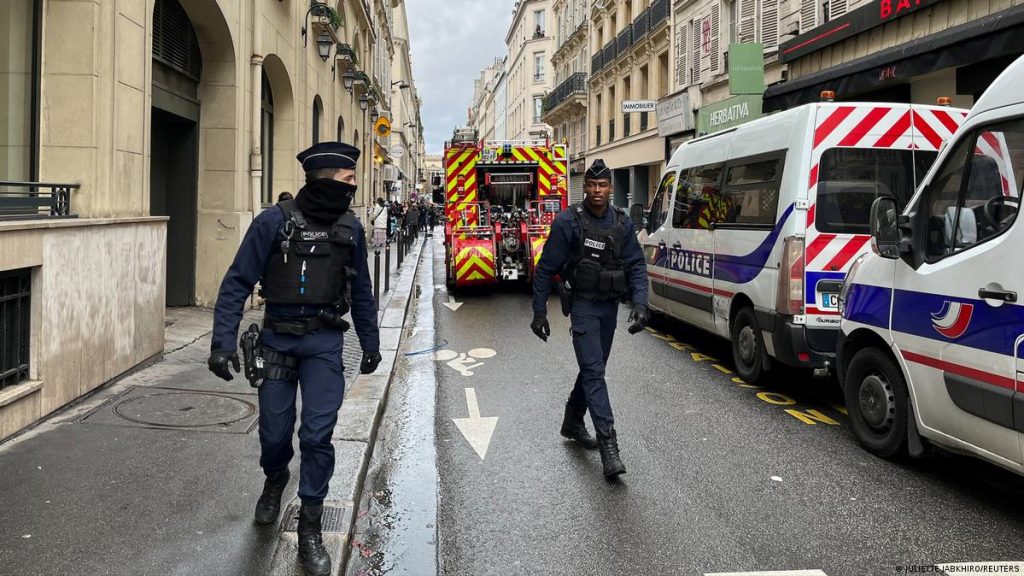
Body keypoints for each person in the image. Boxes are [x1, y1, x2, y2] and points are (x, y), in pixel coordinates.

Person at [207, 141, 382, 576]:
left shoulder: (350, 229)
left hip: (324, 342)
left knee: (318, 435)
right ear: (324, 179)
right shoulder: (273, 222)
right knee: (274, 433)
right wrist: (221, 341)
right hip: (277, 341)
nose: (354, 185)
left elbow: (361, 292)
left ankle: (310, 526)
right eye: (347, 180)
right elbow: (237, 281)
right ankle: (275, 477)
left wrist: (371, 341)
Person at [530, 159, 649, 480]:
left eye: (603, 186)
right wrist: (539, 311)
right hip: (582, 305)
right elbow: (545, 269)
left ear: (610, 188)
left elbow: (637, 265)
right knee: (595, 372)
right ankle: (609, 446)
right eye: (592, 186)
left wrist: (640, 303)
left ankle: (572, 421)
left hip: (608, 307)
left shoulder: (622, 224)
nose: (597, 192)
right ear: (586, 187)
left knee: (593, 368)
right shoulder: (568, 222)